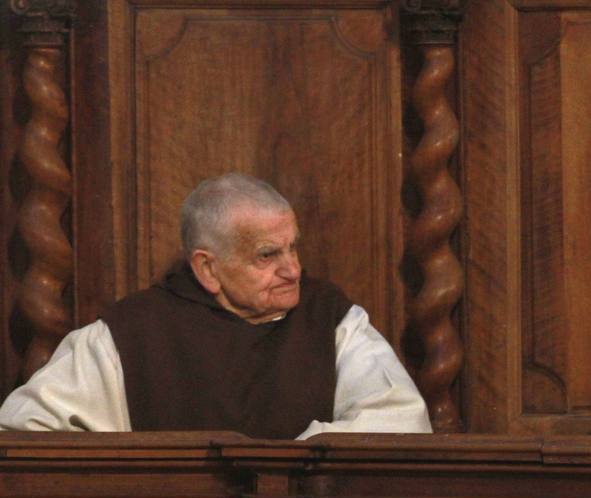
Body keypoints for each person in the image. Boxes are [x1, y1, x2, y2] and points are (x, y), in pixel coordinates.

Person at [0, 174, 432, 439]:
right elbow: (29, 436)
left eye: (293, 248)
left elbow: (400, 422)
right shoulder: (127, 335)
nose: (293, 270)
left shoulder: (334, 321)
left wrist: (302, 456)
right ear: (207, 268)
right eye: (268, 255)